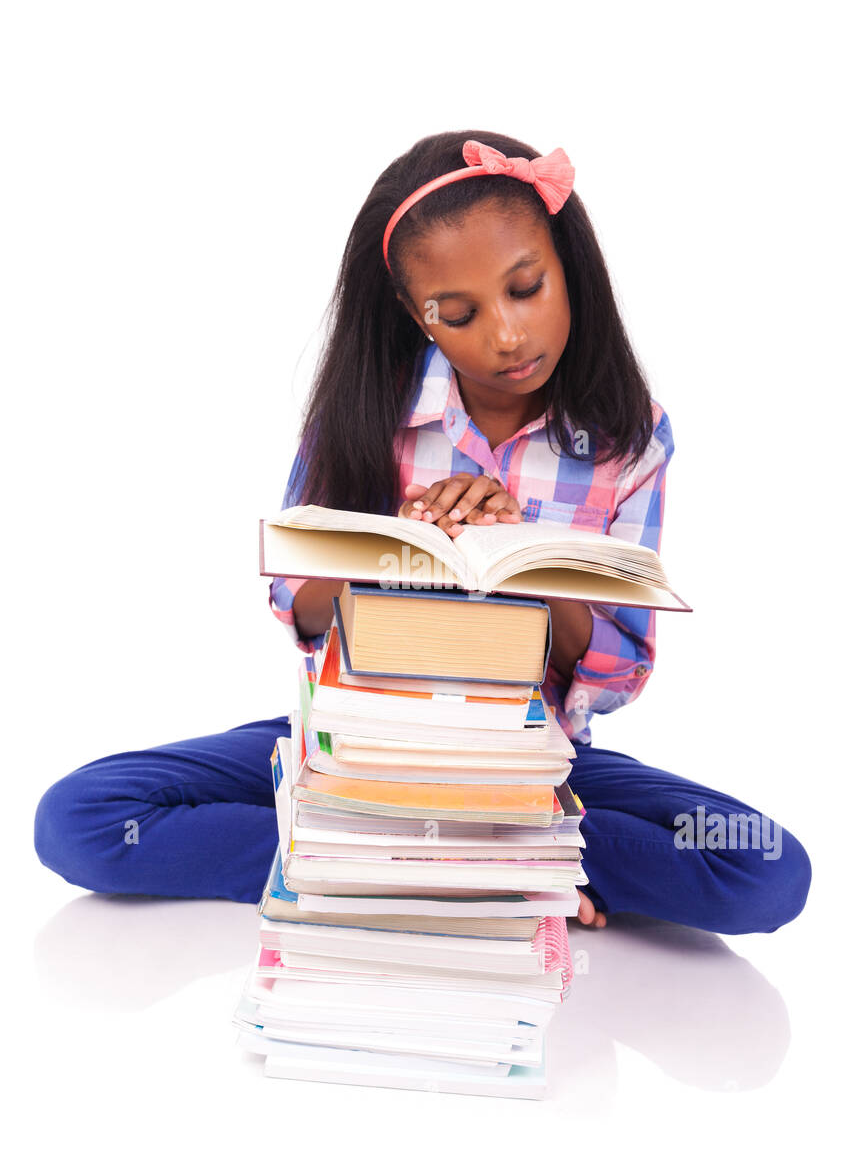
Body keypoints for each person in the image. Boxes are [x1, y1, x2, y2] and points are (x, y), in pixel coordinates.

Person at [34, 129, 811, 934]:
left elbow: (616, 669)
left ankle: (381, 860)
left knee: (758, 864)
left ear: (568, 269)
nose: (506, 335)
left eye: (526, 288)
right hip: (357, 748)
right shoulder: (367, 412)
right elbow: (298, 609)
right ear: (416, 313)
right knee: (83, 818)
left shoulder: (629, 439)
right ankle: (486, 865)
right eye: (461, 313)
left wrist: (523, 562)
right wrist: (397, 546)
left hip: (536, 763)